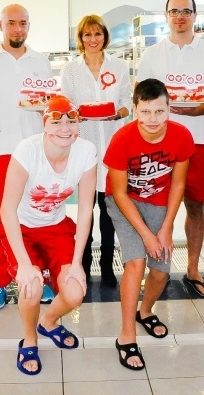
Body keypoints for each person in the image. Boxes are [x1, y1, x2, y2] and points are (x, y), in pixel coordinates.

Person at [136, 0, 204, 298]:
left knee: (195, 205)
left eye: (186, 11)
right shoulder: (152, 55)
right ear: (166, 15)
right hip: (159, 141)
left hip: (199, 139)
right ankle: (156, 272)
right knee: (156, 209)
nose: (180, 16)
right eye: (174, 11)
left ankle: (192, 269)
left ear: (194, 15)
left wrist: (196, 110)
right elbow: (141, 99)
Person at [0, 4, 55, 309]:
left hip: (36, 151)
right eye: (12, 23)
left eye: (24, 24)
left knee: (36, 215)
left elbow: (48, 108)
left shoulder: (40, 61)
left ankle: (38, 275)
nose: (18, 29)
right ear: (0, 25)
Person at [1, 95, 97, 375]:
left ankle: (50, 322)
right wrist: (24, 264)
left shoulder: (86, 151)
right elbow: (6, 210)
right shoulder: (27, 150)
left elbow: (85, 211)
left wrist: (77, 261)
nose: (64, 127)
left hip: (57, 227)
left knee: (75, 291)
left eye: (71, 120)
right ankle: (30, 338)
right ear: (45, 124)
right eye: (57, 121)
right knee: (31, 289)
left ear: (79, 124)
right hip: (22, 228)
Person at [104, 79, 193, 371]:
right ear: (135, 110)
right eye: (145, 112)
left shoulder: (181, 136)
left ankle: (146, 311)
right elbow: (119, 192)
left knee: (161, 269)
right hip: (124, 202)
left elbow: (178, 183)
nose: (152, 119)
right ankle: (126, 335)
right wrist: (147, 235)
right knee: (137, 261)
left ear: (170, 109)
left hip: (159, 203)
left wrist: (166, 229)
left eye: (159, 111)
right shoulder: (122, 139)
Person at [60, 14, 131, 286]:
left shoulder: (119, 66)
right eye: (87, 35)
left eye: (97, 34)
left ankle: (108, 264)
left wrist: (118, 113)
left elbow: (125, 101)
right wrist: (77, 114)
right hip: (84, 148)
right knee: (85, 211)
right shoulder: (70, 70)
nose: (93, 39)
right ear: (80, 39)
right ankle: (84, 263)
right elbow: (68, 105)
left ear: (105, 37)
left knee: (110, 211)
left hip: (113, 146)